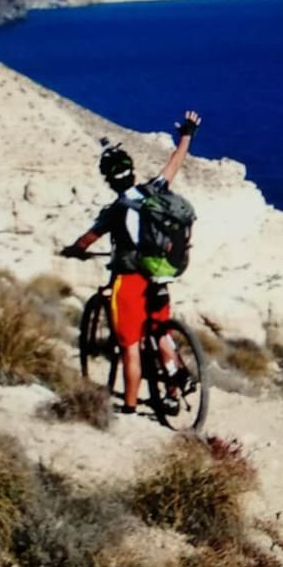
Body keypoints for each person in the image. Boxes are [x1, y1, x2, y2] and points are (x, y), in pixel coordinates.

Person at [61, 110, 202, 414]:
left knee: (130, 346)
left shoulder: (114, 211)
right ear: (133, 172)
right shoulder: (154, 190)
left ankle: (129, 406)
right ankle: (173, 393)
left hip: (129, 282)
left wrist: (74, 250)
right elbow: (175, 162)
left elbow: (87, 240)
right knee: (162, 333)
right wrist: (187, 134)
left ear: (109, 180)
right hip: (160, 275)